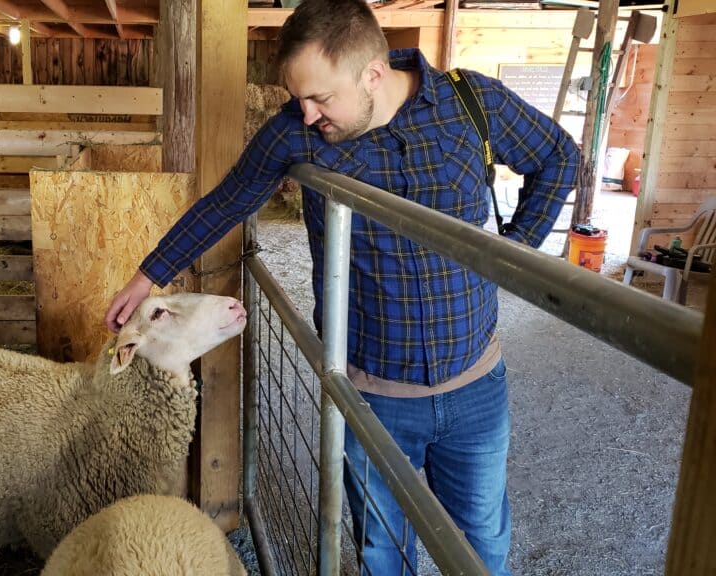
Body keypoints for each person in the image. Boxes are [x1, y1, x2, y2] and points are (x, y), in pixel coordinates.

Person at [105, 0, 579, 573]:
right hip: (372, 392)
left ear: (373, 75)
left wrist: (515, 255)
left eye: (321, 98)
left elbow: (557, 155)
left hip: (475, 380)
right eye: (297, 97)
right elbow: (227, 202)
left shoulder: (471, 104)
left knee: (480, 541)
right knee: (383, 551)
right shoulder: (295, 134)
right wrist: (146, 275)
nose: (306, 114)